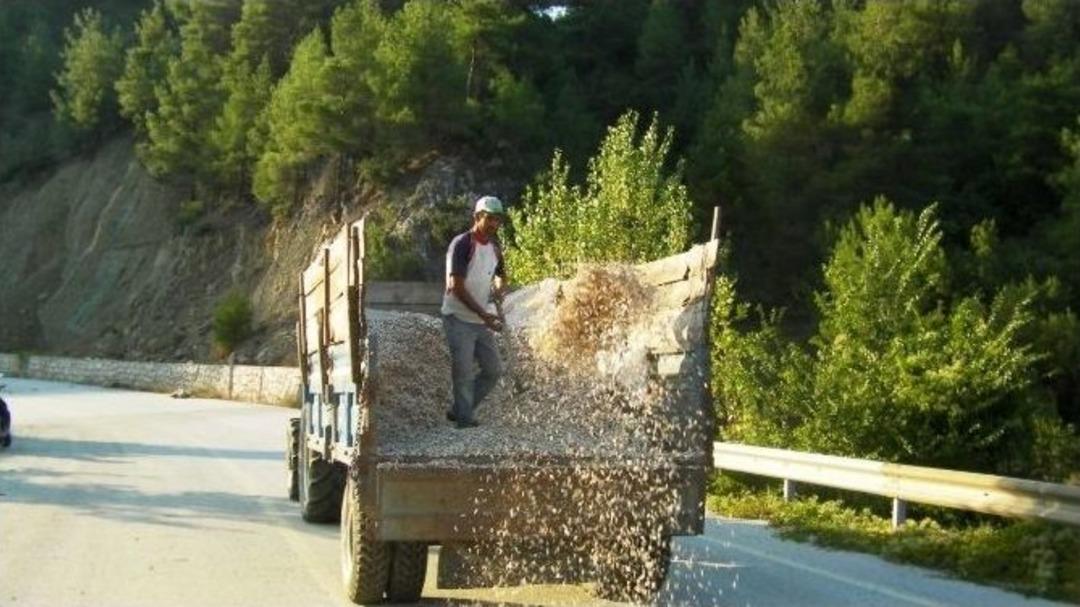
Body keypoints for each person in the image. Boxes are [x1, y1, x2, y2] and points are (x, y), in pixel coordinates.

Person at [441, 195, 507, 429]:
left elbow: (500, 274)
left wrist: (499, 290)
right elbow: (455, 287)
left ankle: (459, 409)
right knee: (464, 371)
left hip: (480, 320)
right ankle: (465, 421)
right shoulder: (461, 244)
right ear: (477, 217)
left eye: (497, 220)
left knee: (493, 370)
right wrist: (484, 315)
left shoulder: (494, 249)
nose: (494, 224)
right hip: (458, 318)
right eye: (489, 219)